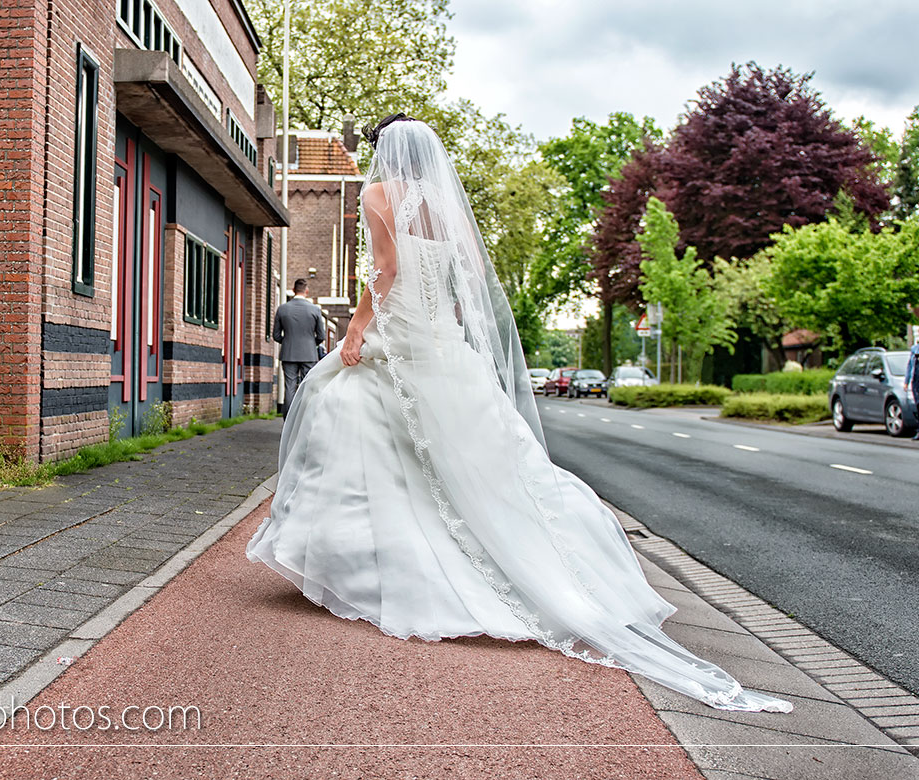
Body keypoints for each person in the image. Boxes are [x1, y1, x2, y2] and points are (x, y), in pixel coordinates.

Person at [246, 114, 791, 714]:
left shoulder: (377, 194)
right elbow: (470, 276)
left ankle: (367, 563)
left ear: (383, 151)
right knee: (474, 452)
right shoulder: (445, 207)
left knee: (347, 411)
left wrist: (355, 327)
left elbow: (387, 270)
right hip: (440, 339)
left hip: (399, 335)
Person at [273, 278, 326, 416]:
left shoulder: (282, 309)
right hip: (309, 354)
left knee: (289, 387)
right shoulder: (315, 309)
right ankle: (303, 419)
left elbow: (276, 335)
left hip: (288, 353)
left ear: (293, 290)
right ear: (306, 291)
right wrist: (310, 343)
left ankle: (288, 421)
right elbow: (321, 335)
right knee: (307, 386)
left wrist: (288, 341)